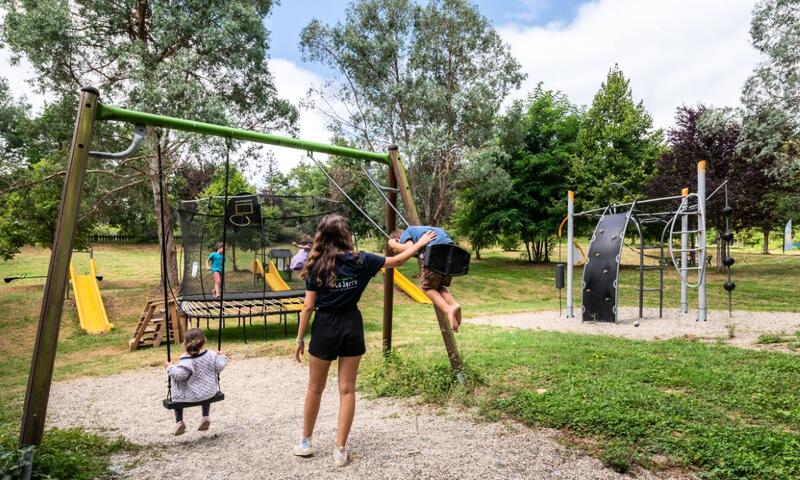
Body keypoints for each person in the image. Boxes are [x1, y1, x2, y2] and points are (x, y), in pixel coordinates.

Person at [292, 214, 435, 467]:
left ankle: (305, 442)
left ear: (321, 236)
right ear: (346, 235)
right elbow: (398, 260)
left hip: (325, 326)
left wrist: (300, 339)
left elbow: (307, 307)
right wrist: (419, 243)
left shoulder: (315, 265)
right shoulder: (362, 260)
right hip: (351, 326)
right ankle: (339, 449)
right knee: (347, 389)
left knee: (315, 388)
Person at [388, 226, 462, 332]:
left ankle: (448, 309)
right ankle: (453, 304)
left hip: (435, 252)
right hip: (452, 253)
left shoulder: (406, 234)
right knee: (437, 286)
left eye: (395, 250)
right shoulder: (420, 231)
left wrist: (394, 244)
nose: (397, 252)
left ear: (397, 239)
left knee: (425, 287)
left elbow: (409, 248)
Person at [164, 328, 227, 436]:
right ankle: (205, 417)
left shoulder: (186, 359)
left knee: (177, 394)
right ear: (204, 340)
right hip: (209, 393)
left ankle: (179, 422)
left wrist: (169, 367)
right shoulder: (212, 355)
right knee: (205, 387)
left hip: (188, 396)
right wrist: (221, 356)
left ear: (185, 343)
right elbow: (219, 367)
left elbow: (180, 376)